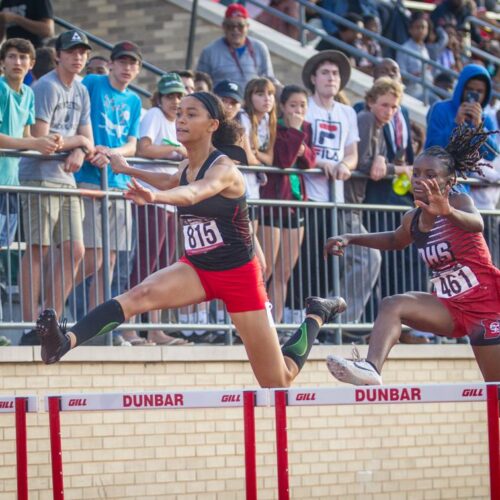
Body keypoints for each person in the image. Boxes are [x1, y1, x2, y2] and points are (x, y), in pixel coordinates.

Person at [35, 91, 347, 389]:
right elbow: (174, 179)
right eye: (179, 114)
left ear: (212, 125)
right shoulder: (187, 164)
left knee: (278, 379)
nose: (180, 120)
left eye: (191, 114)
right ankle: (64, 342)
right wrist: (128, 168)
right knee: (139, 294)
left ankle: (316, 314)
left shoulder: (224, 169)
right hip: (197, 268)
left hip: (239, 276)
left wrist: (155, 197)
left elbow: (193, 192)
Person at [325, 123, 500, 385]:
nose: (419, 180)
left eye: (430, 174)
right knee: (392, 304)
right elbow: (395, 240)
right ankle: (371, 368)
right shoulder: (413, 218)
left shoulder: (459, 203)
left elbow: (477, 224)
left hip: (487, 307)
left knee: (495, 393)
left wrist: (448, 212)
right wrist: (351, 238)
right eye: (416, 173)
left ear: (448, 181)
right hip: (449, 306)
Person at [17, 30, 94, 343]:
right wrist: (79, 142)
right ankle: (26, 324)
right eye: (72, 51)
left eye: (83, 52)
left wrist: (79, 148)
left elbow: (86, 139)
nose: (78, 57)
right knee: (38, 248)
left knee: (75, 249)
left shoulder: (82, 90)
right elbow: (44, 140)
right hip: (38, 174)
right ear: (59, 54)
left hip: (65, 178)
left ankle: (50, 320)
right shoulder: (46, 86)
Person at [74, 41, 142, 312]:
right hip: (89, 176)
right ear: (111, 64)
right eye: (122, 62)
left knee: (111, 259)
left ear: (138, 69)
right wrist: (89, 147)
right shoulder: (92, 82)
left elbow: (132, 144)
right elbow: (79, 119)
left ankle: (96, 324)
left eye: (133, 63)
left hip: (118, 181)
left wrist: (112, 153)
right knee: (92, 256)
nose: (127, 67)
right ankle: (52, 291)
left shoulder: (135, 100)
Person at [127, 72, 189, 346]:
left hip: (168, 198)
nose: (175, 101)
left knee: (163, 266)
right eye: (170, 96)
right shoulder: (154, 115)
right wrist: (173, 152)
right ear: (159, 98)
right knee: (145, 263)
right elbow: (144, 149)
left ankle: (155, 328)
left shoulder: (180, 122)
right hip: (151, 196)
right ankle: (127, 327)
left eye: (179, 96)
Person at [259, 84, 316, 324]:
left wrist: (303, 149)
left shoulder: (306, 128)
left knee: (284, 271)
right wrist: (294, 134)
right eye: (293, 105)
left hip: (295, 201)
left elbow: (310, 161)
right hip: (274, 200)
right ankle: (258, 320)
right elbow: (282, 160)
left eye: (302, 105)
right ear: (282, 107)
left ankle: (277, 320)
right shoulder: (276, 127)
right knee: (267, 268)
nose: (298, 110)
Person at [0, 38, 59, 248]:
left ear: (31, 64)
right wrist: (35, 144)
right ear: (2, 63)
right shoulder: (0, 89)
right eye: (12, 56)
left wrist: (47, 141)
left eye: (23, 57)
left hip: (11, 182)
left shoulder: (29, 94)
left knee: (4, 245)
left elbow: (26, 138)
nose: (17, 62)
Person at [196, 3, 275, 91]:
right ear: (223, 27)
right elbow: (200, 83)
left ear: (247, 27)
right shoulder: (209, 52)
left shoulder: (260, 48)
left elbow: (269, 80)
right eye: (230, 26)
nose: (235, 30)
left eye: (240, 26)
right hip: (223, 102)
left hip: (252, 103)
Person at [396, 12, 433, 101]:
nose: (421, 30)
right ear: (410, 30)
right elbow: (400, 75)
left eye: (423, 27)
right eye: (417, 27)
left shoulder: (425, 49)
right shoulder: (404, 49)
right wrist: (418, 74)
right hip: (412, 93)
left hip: (427, 91)